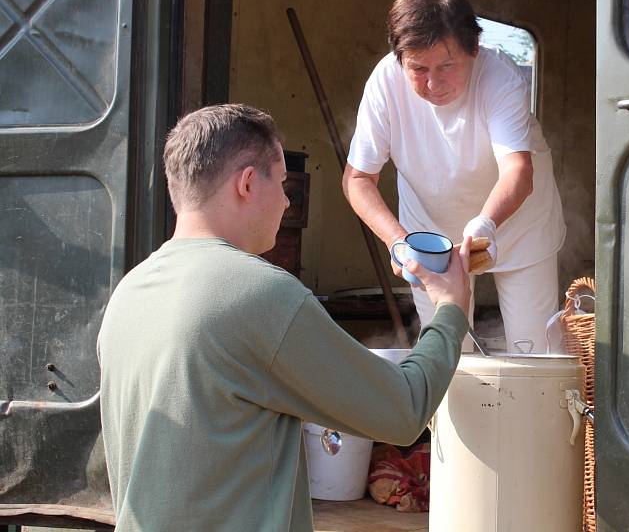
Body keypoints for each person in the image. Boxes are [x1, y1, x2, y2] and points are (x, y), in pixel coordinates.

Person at [96, 104, 471, 531]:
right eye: (284, 183)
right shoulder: (261, 294)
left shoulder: (128, 294)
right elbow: (403, 410)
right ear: (249, 183)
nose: (288, 200)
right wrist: (450, 309)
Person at [343, 0, 566, 353]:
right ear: (400, 58)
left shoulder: (499, 77)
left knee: (535, 353)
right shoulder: (385, 81)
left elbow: (517, 171)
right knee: (445, 352)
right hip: (428, 234)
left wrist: (485, 224)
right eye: (418, 68)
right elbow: (358, 178)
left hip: (519, 225)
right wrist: (397, 240)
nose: (433, 83)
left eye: (447, 65)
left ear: (474, 50)